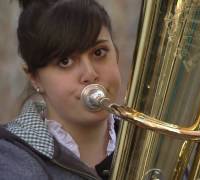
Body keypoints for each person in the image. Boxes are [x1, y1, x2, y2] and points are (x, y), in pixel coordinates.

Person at [0, 0, 121, 179]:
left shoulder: (154, 142)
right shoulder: (10, 160)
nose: (90, 74)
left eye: (99, 52)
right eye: (65, 61)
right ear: (35, 78)